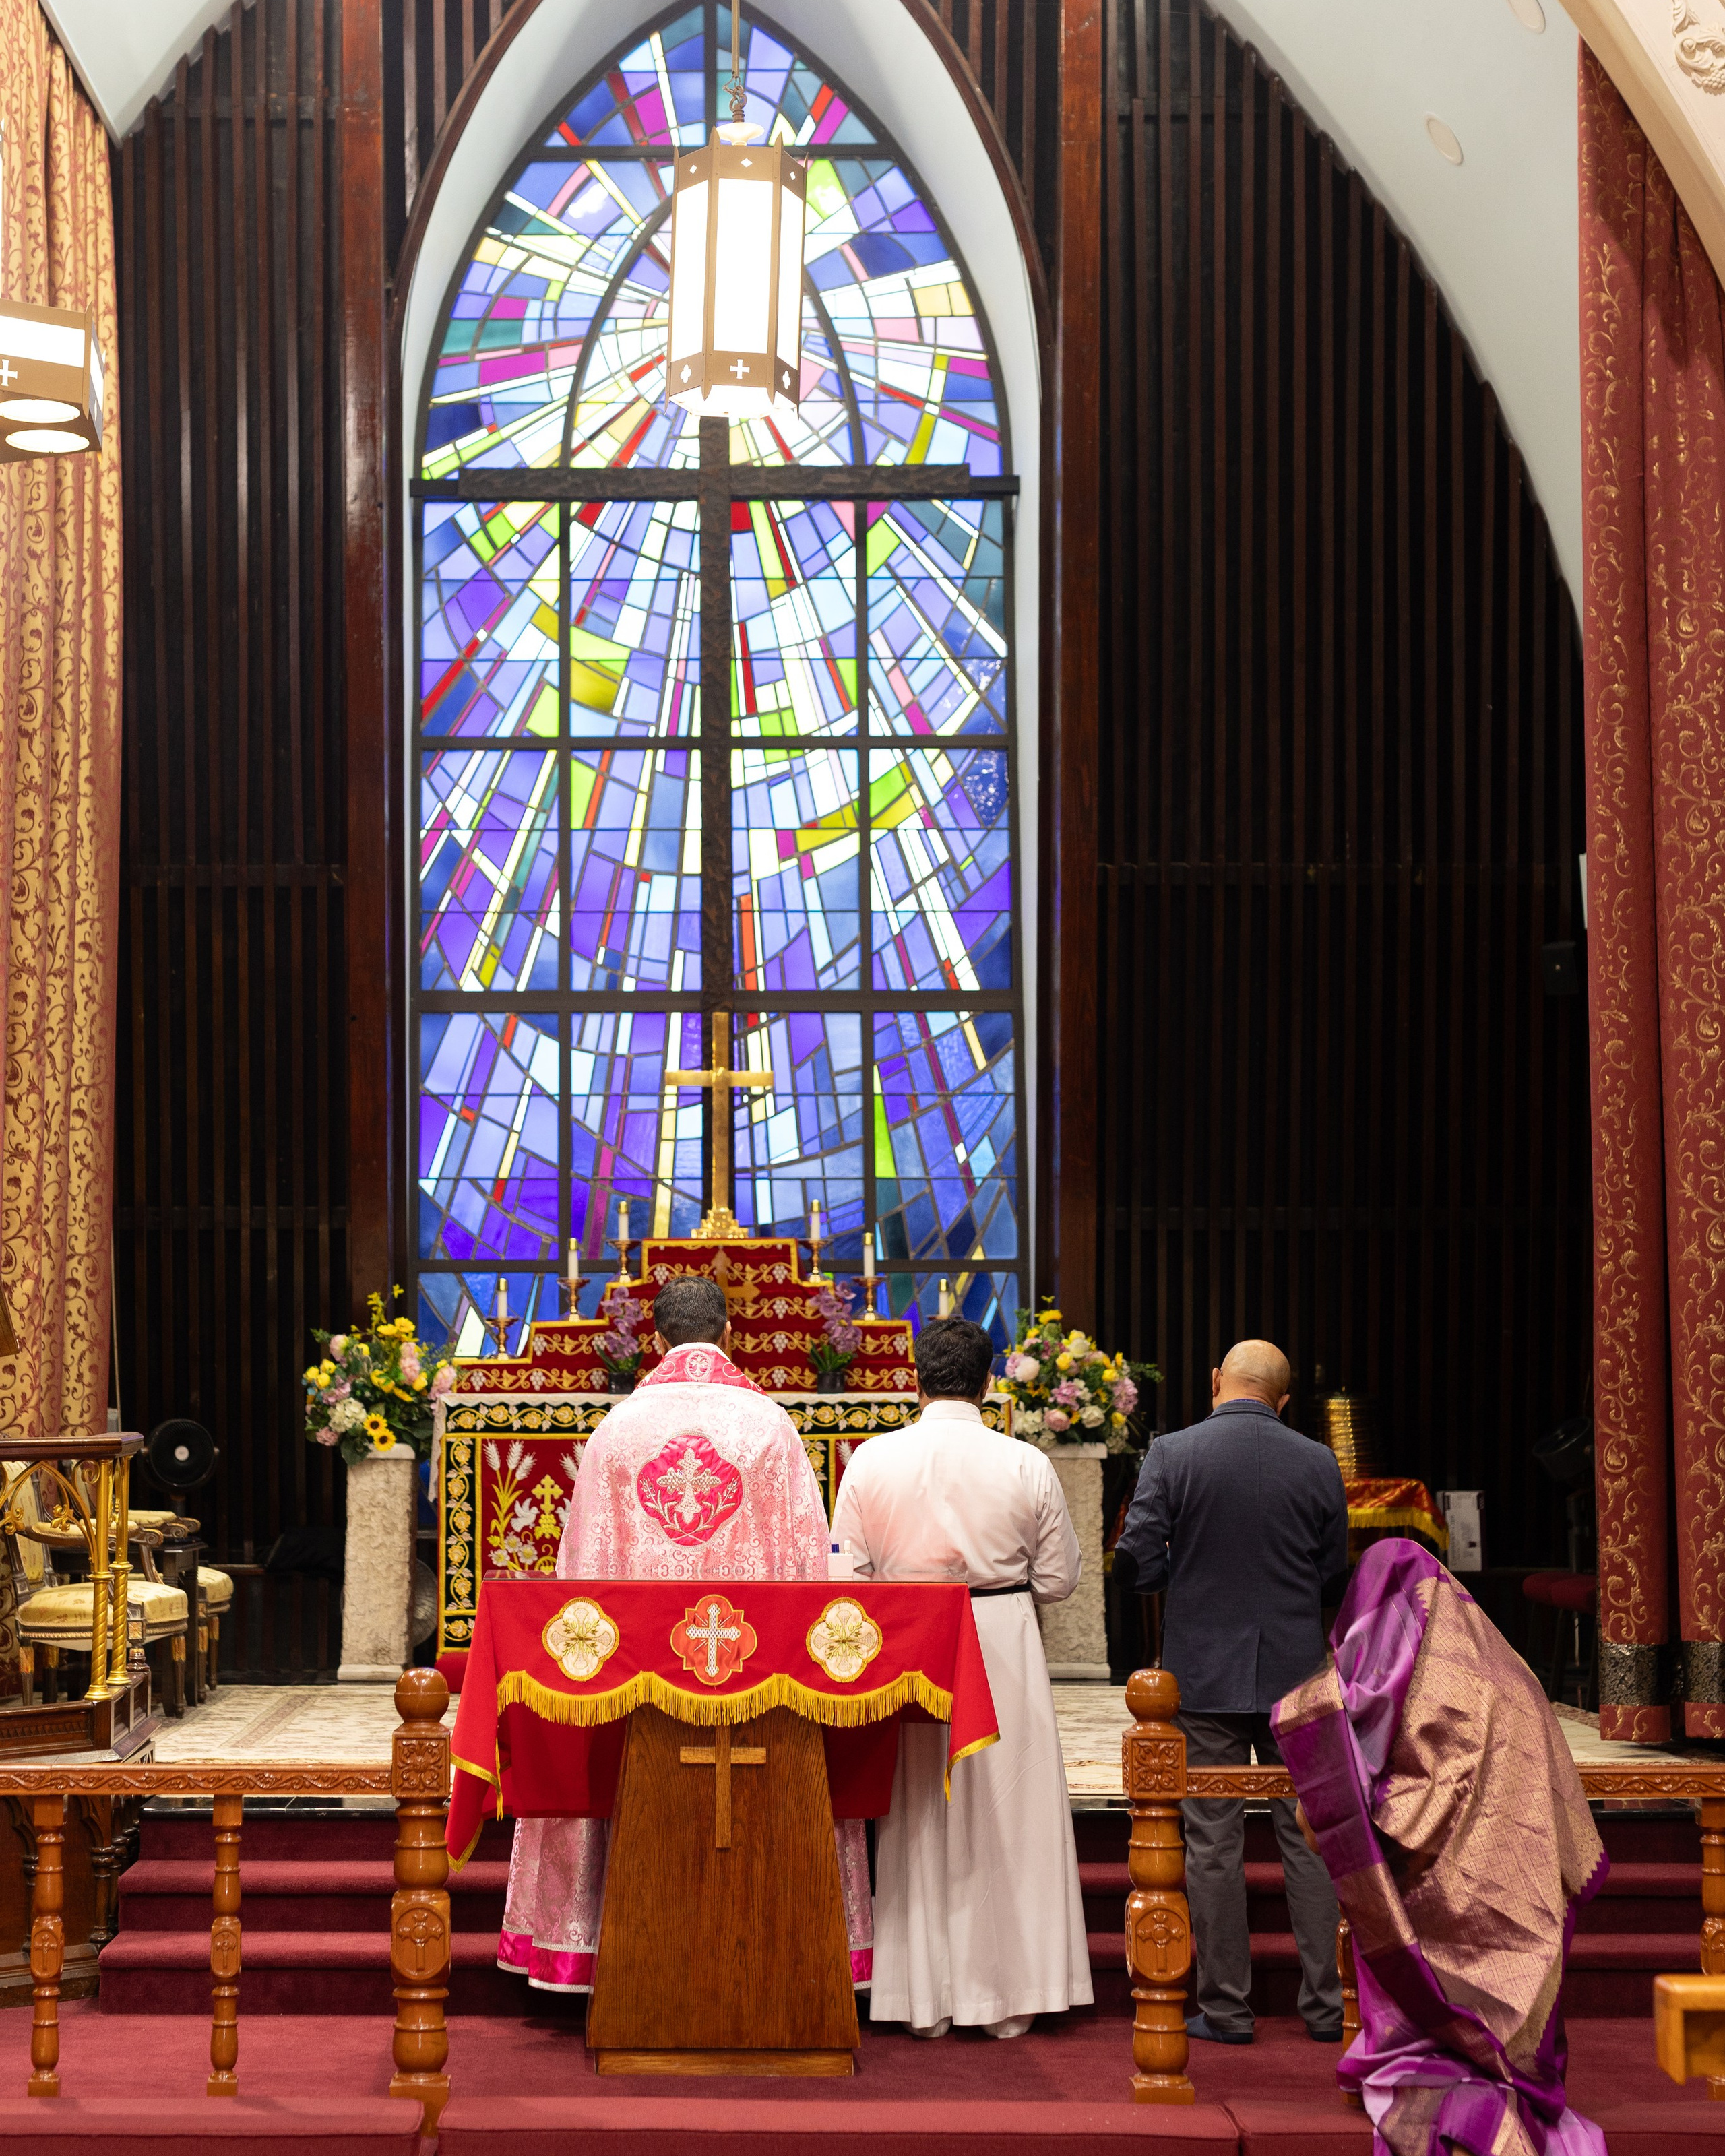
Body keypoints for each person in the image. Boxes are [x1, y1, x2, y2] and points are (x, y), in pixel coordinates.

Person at [499, 1275, 873, 1992]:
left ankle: (599, 1948)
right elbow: (806, 1566)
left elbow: (581, 1573)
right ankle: (779, 1949)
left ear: (657, 1341)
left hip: (642, 1679)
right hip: (754, 1674)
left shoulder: (618, 1428)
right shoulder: (769, 1425)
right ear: (729, 1335)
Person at [1274, 1538, 1607, 2156]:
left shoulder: (1406, 1675)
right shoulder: (1511, 1671)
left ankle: (1459, 2081)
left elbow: (1395, 1801)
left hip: (1452, 1889)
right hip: (1529, 1875)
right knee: (1519, 1987)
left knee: (1443, 2037)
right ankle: (1518, 2070)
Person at [829, 1314, 1092, 2039]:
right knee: (1010, 1810)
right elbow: (1062, 1577)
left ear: (915, 1379)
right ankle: (1013, 1996)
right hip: (1001, 1634)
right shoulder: (1022, 1461)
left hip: (913, 1642)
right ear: (987, 1381)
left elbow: (839, 1574)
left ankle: (922, 1999)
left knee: (920, 1812)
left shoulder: (873, 1459)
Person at [1112, 1337, 1347, 2045]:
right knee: (1307, 1840)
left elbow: (1135, 1561)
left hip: (1203, 1673)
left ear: (1216, 1379)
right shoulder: (1317, 1461)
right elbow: (1333, 1573)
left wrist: (1177, 1576)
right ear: (1283, 1399)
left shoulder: (1173, 1453)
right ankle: (1327, 2007)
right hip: (1296, 1675)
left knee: (1211, 1841)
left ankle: (1226, 2008)